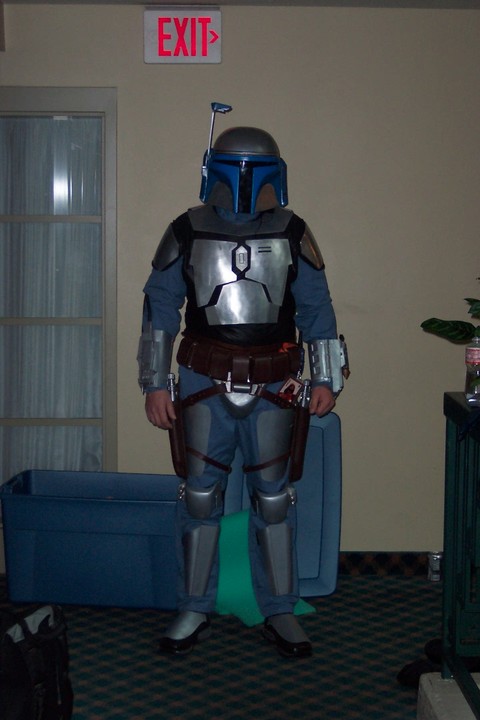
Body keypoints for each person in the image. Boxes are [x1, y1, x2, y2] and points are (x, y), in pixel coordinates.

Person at [138, 103, 346, 658]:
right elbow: (160, 306)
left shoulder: (293, 231)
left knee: (274, 500)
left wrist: (326, 377)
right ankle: (194, 607)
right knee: (199, 497)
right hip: (203, 379)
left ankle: (280, 609)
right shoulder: (186, 229)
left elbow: (317, 308)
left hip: (275, 385)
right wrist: (154, 382)